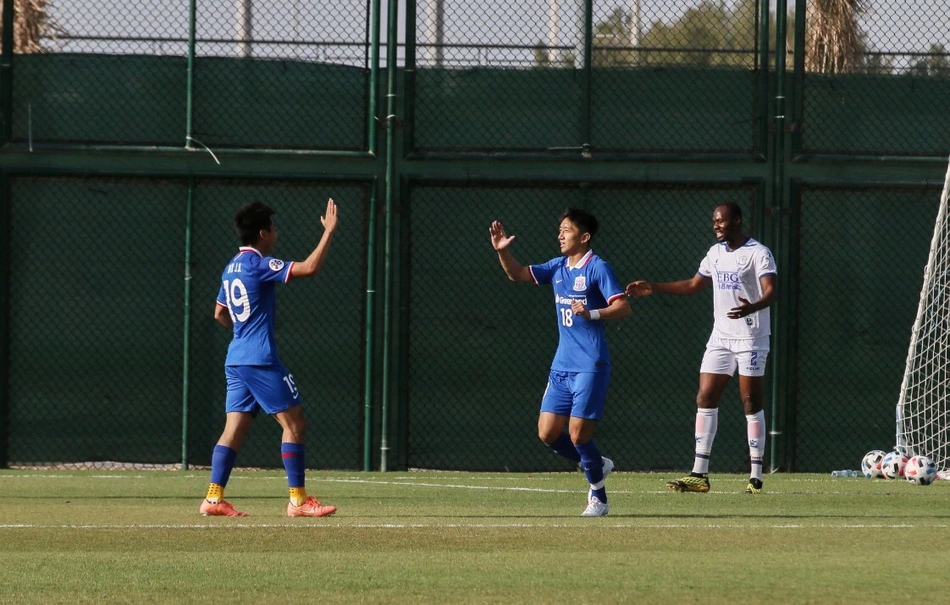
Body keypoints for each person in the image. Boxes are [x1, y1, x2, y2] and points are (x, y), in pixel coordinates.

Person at [199, 199, 339, 517]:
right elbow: (309, 268)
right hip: (259, 359)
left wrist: (242, 333)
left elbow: (219, 312)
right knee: (295, 424)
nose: (276, 233)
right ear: (263, 233)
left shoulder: (231, 266)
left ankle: (212, 498)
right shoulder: (259, 264)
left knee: (233, 429)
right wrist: (329, 232)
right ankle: (298, 501)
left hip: (236, 358)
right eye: (273, 228)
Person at [626, 202, 776, 494]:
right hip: (720, 337)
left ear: (737, 221)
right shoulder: (714, 253)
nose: (716, 226)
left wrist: (753, 307)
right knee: (705, 396)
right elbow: (695, 285)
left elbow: (771, 291)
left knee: (750, 401)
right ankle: (699, 474)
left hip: (751, 338)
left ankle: (756, 475)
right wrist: (654, 287)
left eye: (721, 221)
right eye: (714, 222)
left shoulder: (758, 252)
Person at [490, 208, 631, 516]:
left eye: (566, 230)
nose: (560, 235)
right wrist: (504, 252)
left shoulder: (598, 268)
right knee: (547, 433)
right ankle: (596, 463)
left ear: (584, 237)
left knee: (580, 434)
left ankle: (599, 497)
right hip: (562, 365)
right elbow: (517, 274)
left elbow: (622, 308)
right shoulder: (557, 267)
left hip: (590, 365)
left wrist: (592, 312)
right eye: (560, 229)